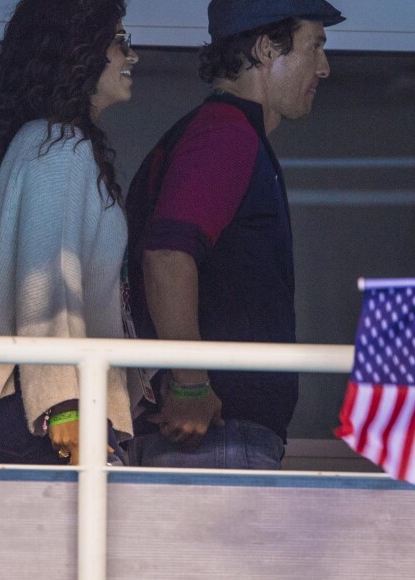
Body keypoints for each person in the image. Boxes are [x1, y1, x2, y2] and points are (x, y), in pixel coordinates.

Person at [125, 0, 345, 469]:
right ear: (267, 49)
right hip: (212, 440)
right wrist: (189, 383)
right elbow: (165, 256)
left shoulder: (223, 134)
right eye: (315, 46)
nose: (324, 68)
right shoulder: (225, 135)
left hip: (217, 435)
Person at [0, 0, 139, 466]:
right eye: (120, 41)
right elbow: (45, 281)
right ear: (79, 49)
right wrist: (64, 405)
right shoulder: (59, 147)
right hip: (44, 411)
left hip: (37, 405)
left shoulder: (51, 142)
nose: (132, 56)